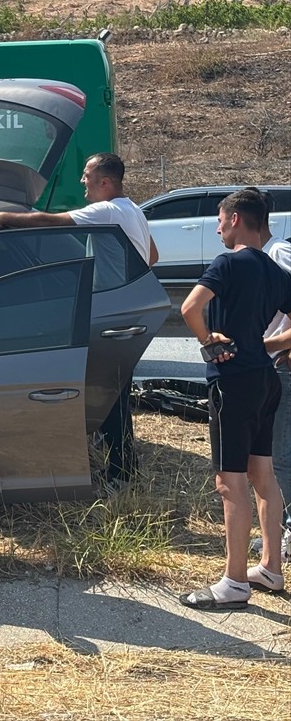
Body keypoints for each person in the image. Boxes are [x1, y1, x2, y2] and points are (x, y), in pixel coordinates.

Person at [0, 152, 157, 488]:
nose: (82, 181)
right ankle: (123, 468)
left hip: (108, 314)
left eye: (87, 175)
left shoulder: (106, 211)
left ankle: (121, 474)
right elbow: (152, 256)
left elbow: (53, 221)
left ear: (106, 182)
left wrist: (4, 216)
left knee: (107, 397)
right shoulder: (133, 210)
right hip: (123, 310)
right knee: (115, 395)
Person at [179, 188, 291, 608]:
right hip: (265, 379)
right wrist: (265, 346)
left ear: (237, 219)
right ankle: (271, 569)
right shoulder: (276, 271)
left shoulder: (227, 262)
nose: (218, 229)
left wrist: (209, 339)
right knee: (264, 476)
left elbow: (189, 308)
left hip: (232, 383)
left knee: (230, 482)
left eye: (220, 220)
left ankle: (234, 581)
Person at [255, 189, 291, 567]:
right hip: (274, 363)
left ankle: (284, 537)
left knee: (279, 457)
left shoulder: (277, 253)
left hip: (283, 365)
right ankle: (276, 533)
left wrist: (270, 346)